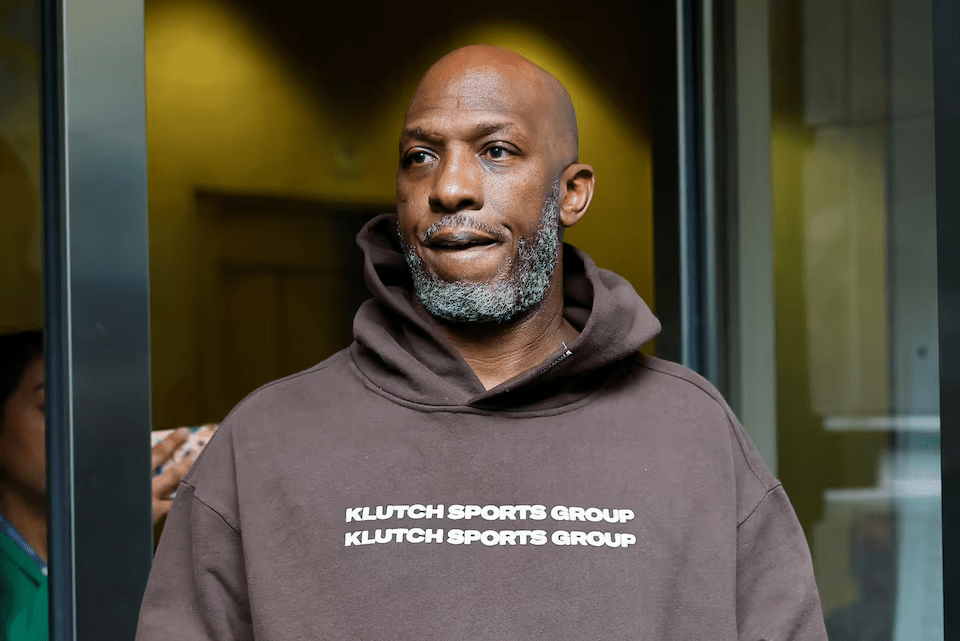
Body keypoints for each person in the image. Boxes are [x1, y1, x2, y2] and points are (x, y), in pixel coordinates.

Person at [136, 45, 827, 639]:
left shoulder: (693, 434)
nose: (450, 187)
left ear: (572, 194)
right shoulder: (267, 440)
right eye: (420, 156)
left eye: (496, 151)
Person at [0, 330, 197, 641]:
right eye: (50, 405)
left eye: (90, 411)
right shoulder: (107, 545)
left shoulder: (129, 555)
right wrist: (106, 541)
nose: (78, 428)